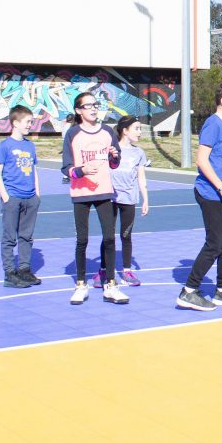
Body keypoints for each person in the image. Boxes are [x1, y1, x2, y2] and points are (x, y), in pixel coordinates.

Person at [177, 81, 222, 311]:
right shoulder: (213, 124)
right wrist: (221, 187)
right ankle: (189, 291)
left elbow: (219, 158)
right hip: (210, 193)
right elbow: (201, 160)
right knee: (215, 243)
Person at [62, 92, 129, 305]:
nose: (93, 108)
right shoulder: (72, 134)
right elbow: (66, 169)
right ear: (78, 110)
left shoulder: (108, 132)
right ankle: (81, 284)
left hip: (104, 191)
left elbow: (114, 163)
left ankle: (111, 284)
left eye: (95, 104)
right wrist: (81, 170)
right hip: (81, 193)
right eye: (88, 105)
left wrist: (114, 156)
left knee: (109, 238)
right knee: (82, 239)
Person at [92, 115, 150, 288]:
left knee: (126, 236)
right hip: (109, 198)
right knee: (108, 236)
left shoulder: (139, 153)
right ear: (125, 130)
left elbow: (141, 178)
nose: (140, 132)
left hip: (129, 199)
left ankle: (126, 271)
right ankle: (103, 270)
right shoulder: (111, 150)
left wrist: (145, 199)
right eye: (137, 128)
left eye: (140, 128)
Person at [0, 105, 41, 288]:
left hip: (30, 198)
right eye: (28, 121)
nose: (31, 124)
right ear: (15, 123)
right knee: (9, 238)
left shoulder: (30, 145)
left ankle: (24, 269)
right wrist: (6, 197)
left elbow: (33, 170)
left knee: (27, 236)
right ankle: (9, 274)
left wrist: (37, 193)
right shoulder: (5, 146)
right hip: (13, 197)